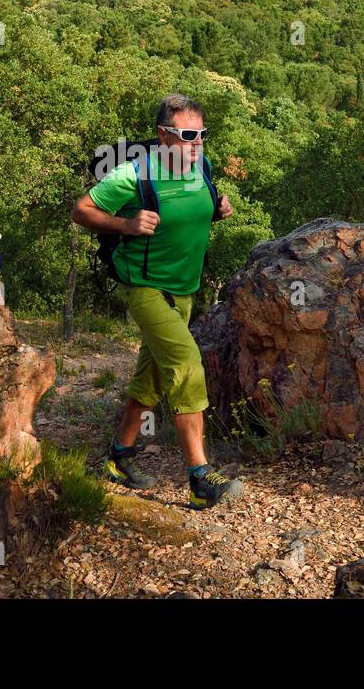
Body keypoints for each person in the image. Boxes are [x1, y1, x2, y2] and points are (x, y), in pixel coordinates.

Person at [70, 93, 242, 510]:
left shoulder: (201, 166)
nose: (197, 142)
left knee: (152, 378)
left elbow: (196, 211)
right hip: (145, 286)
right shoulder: (133, 174)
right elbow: (81, 210)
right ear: (164, 135)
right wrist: (126, 224)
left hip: (185, 289)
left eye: (202, 134)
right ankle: (200, 478)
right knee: (185, 365)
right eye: (188, 134)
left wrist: (218, 209)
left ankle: (119, 457)